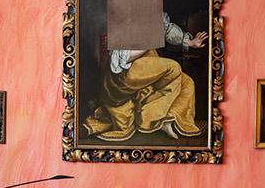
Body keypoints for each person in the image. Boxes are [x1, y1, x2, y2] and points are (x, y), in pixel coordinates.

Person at [83, 13, 207, 141]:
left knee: (187, 82)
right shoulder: (123, 16)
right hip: (124, 73)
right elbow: (122, 59)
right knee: (173, 68)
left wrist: (190, 42)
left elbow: (166, 28)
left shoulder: (150, 8)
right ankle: (151, 118)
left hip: (148, 65)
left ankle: (167, 119)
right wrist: (151, 40)